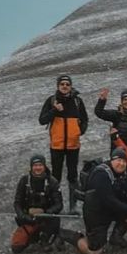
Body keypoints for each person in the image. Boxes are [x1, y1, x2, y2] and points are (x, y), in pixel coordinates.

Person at [75, 152, 127, 254]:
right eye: (118, 160)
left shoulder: (124, 172)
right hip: (96, 214)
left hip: (111, 209)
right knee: (96, 251)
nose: (121, 164)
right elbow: (109, 200)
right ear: (111, 161)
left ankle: (116, 237)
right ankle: (71, 236)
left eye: (124, 161)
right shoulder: (101, 174)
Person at [38, 76, 90, 208]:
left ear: (71, 86)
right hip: (57, 145)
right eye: (62, 84)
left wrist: (79, 132)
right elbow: (42, 120)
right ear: (58, 86)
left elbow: (84, 119)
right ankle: (55, 205)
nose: (65, 86)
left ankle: (73, 207)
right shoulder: (51, 101)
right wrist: (55, 110)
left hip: (73, 145)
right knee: (56, 176)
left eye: (67, 84)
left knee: (73, 176)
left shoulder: (78, 101)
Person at [11, 154, 65, 253]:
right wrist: (22, 215)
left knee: (47, 248)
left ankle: (49, 235)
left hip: (47, 219)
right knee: (16, 248)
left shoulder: (52, 182)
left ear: (44, 166)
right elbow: (17, 203)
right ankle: (33, 236)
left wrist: (45, 213)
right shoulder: (24, 181)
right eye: (35, 165)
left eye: (40, 165)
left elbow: (59, 205)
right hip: (29, 219)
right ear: (31, 167)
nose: (38, 168)